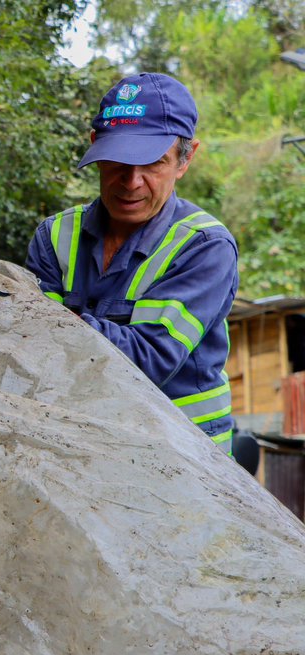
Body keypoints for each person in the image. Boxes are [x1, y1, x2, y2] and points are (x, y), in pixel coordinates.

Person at [25, 73, 239, 453]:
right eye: (118, 161)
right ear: (95, 147)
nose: (132, 181)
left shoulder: (204, 247)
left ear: (184, 161)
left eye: (154, 162)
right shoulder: (54, 235)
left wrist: (47, 320)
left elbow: (149, 359)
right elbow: (33, 351)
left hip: (188, 461)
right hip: (81, 445)